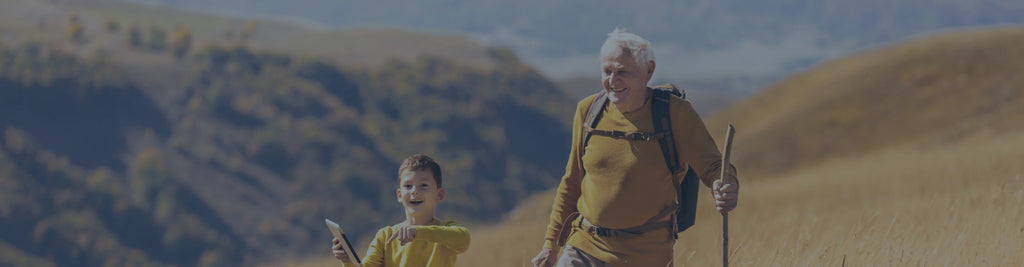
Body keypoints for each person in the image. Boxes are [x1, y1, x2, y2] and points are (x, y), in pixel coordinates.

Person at [531, 28, 740, 266]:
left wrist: (725, 185)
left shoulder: (675, 114)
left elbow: (714, 166)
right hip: (583, 247)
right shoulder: (588, 111)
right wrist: (550, 245)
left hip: (646, 255)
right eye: (607, 71)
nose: (612, 81)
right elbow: (572, 182)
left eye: (623, 72)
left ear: (648, 71)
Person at [332, 154, 471, 267]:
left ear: (439, 194)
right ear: (399, 195)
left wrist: (417, 232)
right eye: (408, 186)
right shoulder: (385, 236)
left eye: (423, 185)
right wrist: (347, 260)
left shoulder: (445, 231)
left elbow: (464, 239)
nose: (415, 191)